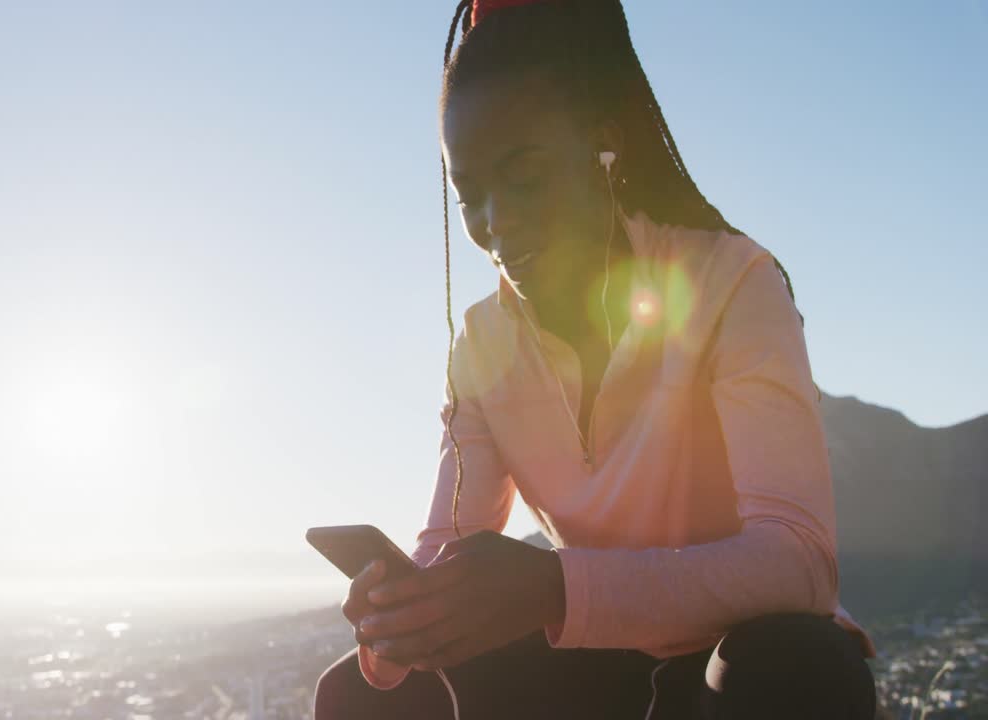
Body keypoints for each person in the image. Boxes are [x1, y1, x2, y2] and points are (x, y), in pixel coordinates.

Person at [313, 1, 879, 718]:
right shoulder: (482, 344)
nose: (497, 222)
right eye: (470, 194)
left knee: (789, 668)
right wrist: (399, 610)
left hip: (730, 662)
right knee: (354, 695)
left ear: (603, 149)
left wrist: (556, 587)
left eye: (524, 177)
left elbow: (799, 565)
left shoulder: (731, 281)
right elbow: (448, 547)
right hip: (589, 654)